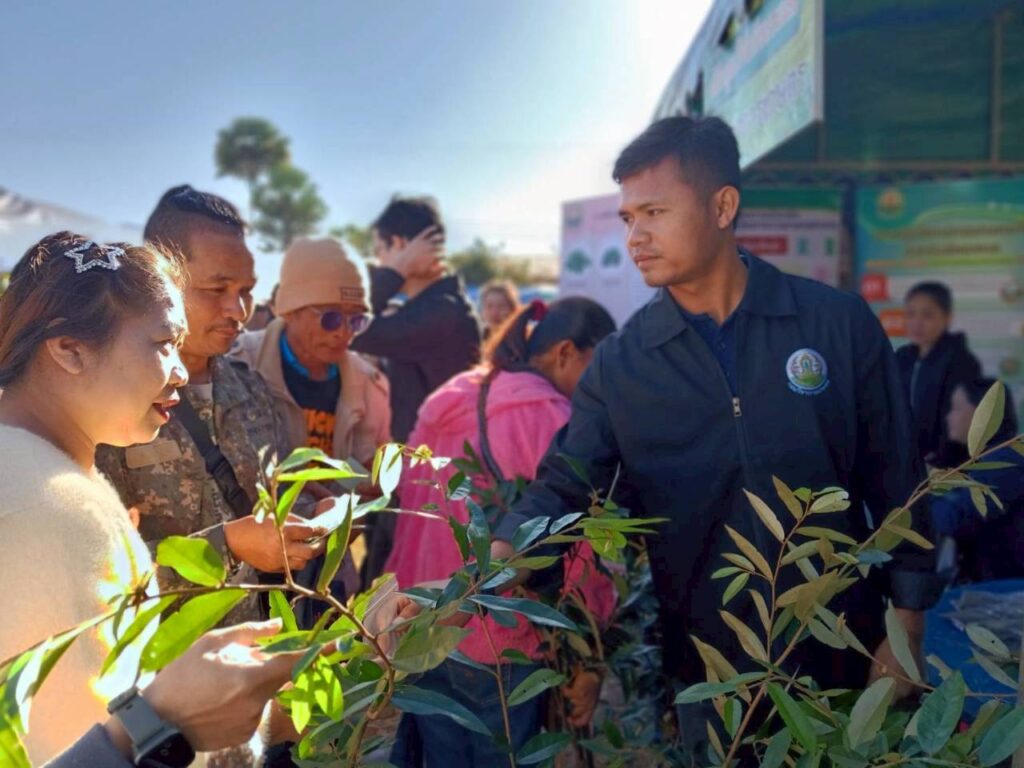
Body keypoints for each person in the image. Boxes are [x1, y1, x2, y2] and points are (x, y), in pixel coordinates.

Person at [485, 117, 943, 762]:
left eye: (654, 212)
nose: (635, 237)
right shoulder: (622, 365)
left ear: (723, 206)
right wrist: (493, 563)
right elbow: (564, 487)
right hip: (713, 677)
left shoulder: (836, 325)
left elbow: (898, 480)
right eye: (627, 218)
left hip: (845, 652)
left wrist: (907, 626)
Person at [0, 233, 305, 765]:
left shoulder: (37, 471)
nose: (181, 372)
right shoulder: (52, 506)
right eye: (164, 343)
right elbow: (98, 742)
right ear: (70, 349)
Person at [386, 298, 618, 766]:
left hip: (424, 620)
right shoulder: (553, 416)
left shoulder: (450, 395)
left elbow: (408, 506)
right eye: (599, 367)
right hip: (502, 639)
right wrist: (589, 648)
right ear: (566, 352)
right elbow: (579, 542)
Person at [96, 186, 328, 627]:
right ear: (159, 282)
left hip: (261, 646)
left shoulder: (251, 391)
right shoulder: (105, 405)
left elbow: (274, 495)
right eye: (216, 288)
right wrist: (228, 546)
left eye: (246, 291)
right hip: (166, 662)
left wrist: (315, 515)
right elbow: (95, 576)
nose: (238, 310)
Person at [230, 237, 392, 598]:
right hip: (244, 570)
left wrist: (355, 504)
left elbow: (372, 476)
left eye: (357, 320)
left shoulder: (369, 385)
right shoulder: (238, 365)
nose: (344, 332)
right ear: (291, 309)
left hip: (324, 573)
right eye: (331, 318)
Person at [350, 195, 481, 582]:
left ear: (399, 244)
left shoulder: (441, 311)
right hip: (419, 474)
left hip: (432, 481)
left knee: (391, 591)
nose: (379, 261)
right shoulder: (432, 307)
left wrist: (393, 272)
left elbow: (352, 328)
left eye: (381, 251)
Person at [931, 378, 1023, 583]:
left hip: (1007, 588)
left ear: (982, 414)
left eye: (956, 408)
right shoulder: (999, 455)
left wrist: (921, 497)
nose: (948, 417)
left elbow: (953, 520)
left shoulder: (1002, 460)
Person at [896, 281, 982, 468]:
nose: (917, 323)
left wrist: (939, 462)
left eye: (927, 315)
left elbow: (961, 423)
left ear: (947, 318)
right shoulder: (902, 358)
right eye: (910, 314)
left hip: (944, 469)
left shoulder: (961, 362)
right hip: (905, 464)